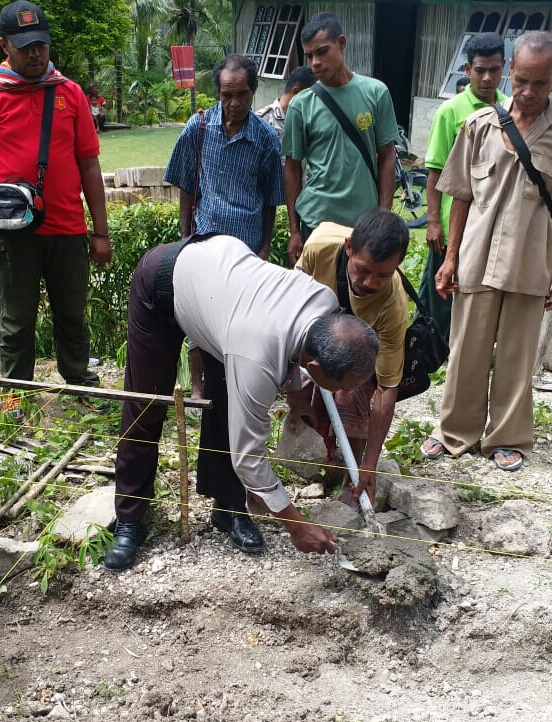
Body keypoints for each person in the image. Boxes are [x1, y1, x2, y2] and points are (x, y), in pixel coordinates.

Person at [103, 234, 380, 571]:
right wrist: (296, 524)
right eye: (340, 389)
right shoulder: (256, 357)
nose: (341, 397)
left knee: (224, 410)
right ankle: (129, 518)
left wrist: (296, 396)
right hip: (163, 283)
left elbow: (295, 346)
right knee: (146, 406)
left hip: (228, 302)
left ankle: (228, 508)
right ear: (317, 368)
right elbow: (248, 459)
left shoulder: (323, 301)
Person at [420, 31, 552, 472]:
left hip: (532, 258)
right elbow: (460, 195)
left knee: (518, 354)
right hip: (477, 256)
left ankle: (508, 437)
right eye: (520, 80)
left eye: (540, 83)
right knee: (466, 349)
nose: (528, 92)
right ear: (510, 73)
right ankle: (454, 432)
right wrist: (450, 257)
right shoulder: (480, 126)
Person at [0, 1, 111, 408]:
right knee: (17, 320)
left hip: (67, 228)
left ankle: (80, 382)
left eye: (41, 46)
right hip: (13, 231)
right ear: (4, 46)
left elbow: (89, 165)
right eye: (25, 46)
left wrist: (100, 232)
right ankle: (15, 395)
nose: (35, 54)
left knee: (72, 314)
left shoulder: (69, 93)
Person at [295, 208, 410, 504]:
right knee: (308, 390)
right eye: (363, 270)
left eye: (384, 275)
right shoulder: (319, 247)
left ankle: (352, 475)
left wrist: (369, 464)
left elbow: (386, 387)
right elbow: (290, 305)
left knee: (353, 390)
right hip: (318, 334)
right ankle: (329, 459)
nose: (370, 283)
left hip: (360, 360)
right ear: (349, 247)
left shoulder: (393, 306)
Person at [282, 12, 397, 265]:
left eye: (322, 52)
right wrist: (295, 231)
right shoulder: (301, 105)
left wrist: (383, 216)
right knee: (316, 300)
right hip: (316, 221)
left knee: (361, 296)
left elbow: (388, 156)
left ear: (341, 43)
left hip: (364, 225)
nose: (315, 62)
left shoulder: (376, 93)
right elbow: (292, 168)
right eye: (309, 55)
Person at [420, 32, 507, 342]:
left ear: (504, 68)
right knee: (440, 294)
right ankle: (431, 351)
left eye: (494, 70)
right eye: (479, 70)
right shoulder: (451, 111)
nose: (486, 78)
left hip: (489, 224)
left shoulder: (510, 110)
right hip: (450, 222)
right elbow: (435, 172)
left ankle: (467, 346)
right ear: (467, 69)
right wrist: (433, 222)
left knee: (478, 292)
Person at [165, 55, 283, 259]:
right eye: (227, 95)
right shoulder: (198, 128)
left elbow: (270, 198)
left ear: (253, 91)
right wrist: (185, 239)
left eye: (242, 95)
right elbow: (186, 185)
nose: (235, 103)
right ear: (218, 93)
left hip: (247, 250)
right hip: (204, 246)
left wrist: (264, 248)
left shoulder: (266, 138)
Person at [256, 66, 317, 141]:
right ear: (296, 91)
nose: (313, 103)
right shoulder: (262, 121)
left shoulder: (307, 123)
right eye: (310, 98)